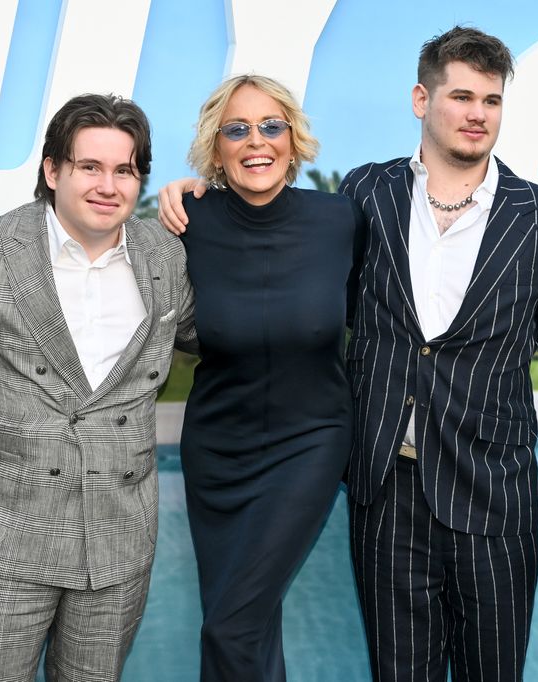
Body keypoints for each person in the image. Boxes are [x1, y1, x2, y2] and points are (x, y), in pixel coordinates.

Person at [340, 27, 538, 681]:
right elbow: (314, 300)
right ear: (421, 99)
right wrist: (200, 196)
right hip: (386, 493)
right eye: (461, 96)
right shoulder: (364, 194)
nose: (477, 114)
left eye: (491, 100)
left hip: (494, 495)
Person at [0, 93, 196, 682]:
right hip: (3, 538)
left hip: (119, 539)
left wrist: (216, 200)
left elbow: (220, 333)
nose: (108, 186)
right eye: (90, 167)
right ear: (53, 170)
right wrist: (16, 411)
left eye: (124, 170)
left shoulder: (167, 257)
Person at [161, 74, 357, 681]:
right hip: (218, 452)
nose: (256, 141)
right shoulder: (188, 220)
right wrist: (176, 193)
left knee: (231, 626)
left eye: (272, 126)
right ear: (215, 147)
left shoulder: (340, 220)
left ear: (293, 139)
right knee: (244, 620)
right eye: (236, 130)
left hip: (310, 442)